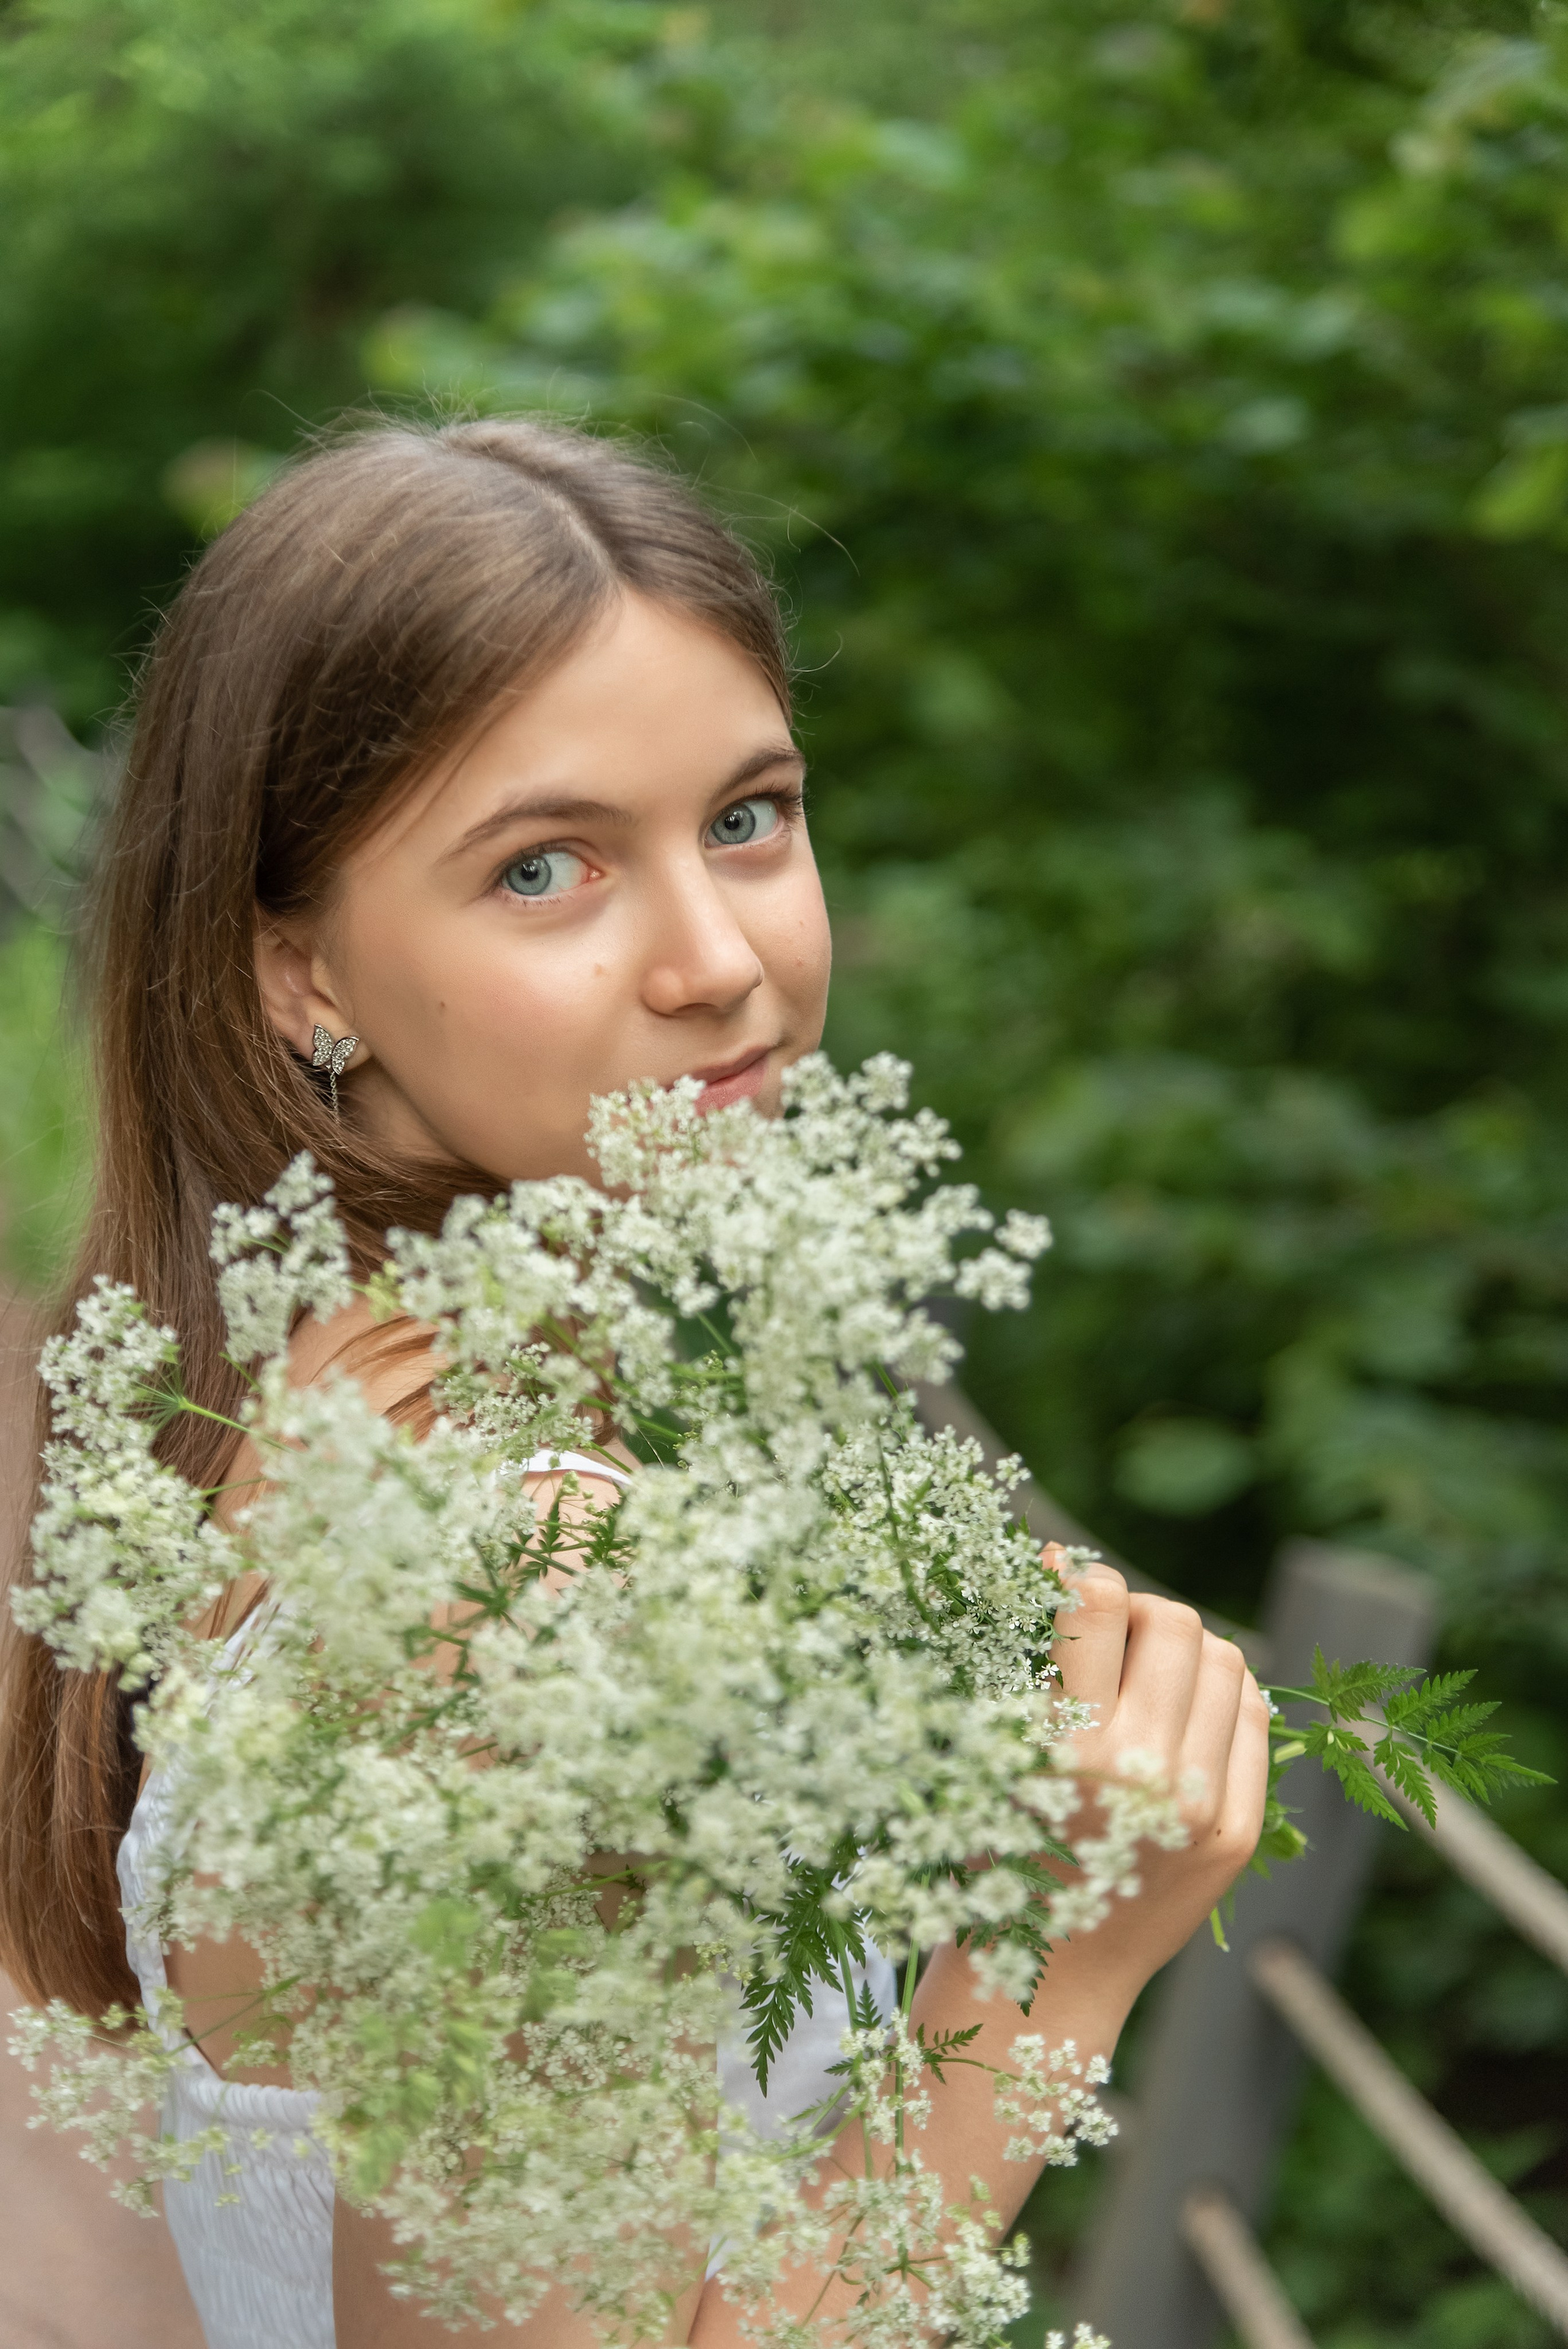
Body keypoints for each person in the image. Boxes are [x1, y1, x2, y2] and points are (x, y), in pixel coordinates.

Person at [0, 417, 1270, 2347]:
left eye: (749, 816)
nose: (717, 957)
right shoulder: (502, 1593)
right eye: (545, 867)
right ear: (299, 977)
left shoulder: (305, 1417)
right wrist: (1053, 1958)